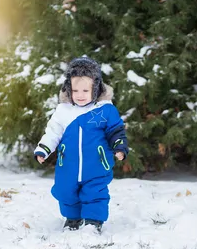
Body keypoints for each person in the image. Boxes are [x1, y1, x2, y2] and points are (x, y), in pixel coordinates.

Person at [34, 57, 128, 233]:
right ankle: (73, 218)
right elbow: (53, 132)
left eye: (86, 90)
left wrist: (119, 147)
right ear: (68, 88)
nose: (80, 94)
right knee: (64, 191)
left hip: (97, 165)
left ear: (96, 88)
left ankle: (93, 221)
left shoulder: (105, 109)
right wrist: (43, 149)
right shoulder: (63, 111)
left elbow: (116, 130)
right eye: (75, 90)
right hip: (67, 165)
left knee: (94, 192)